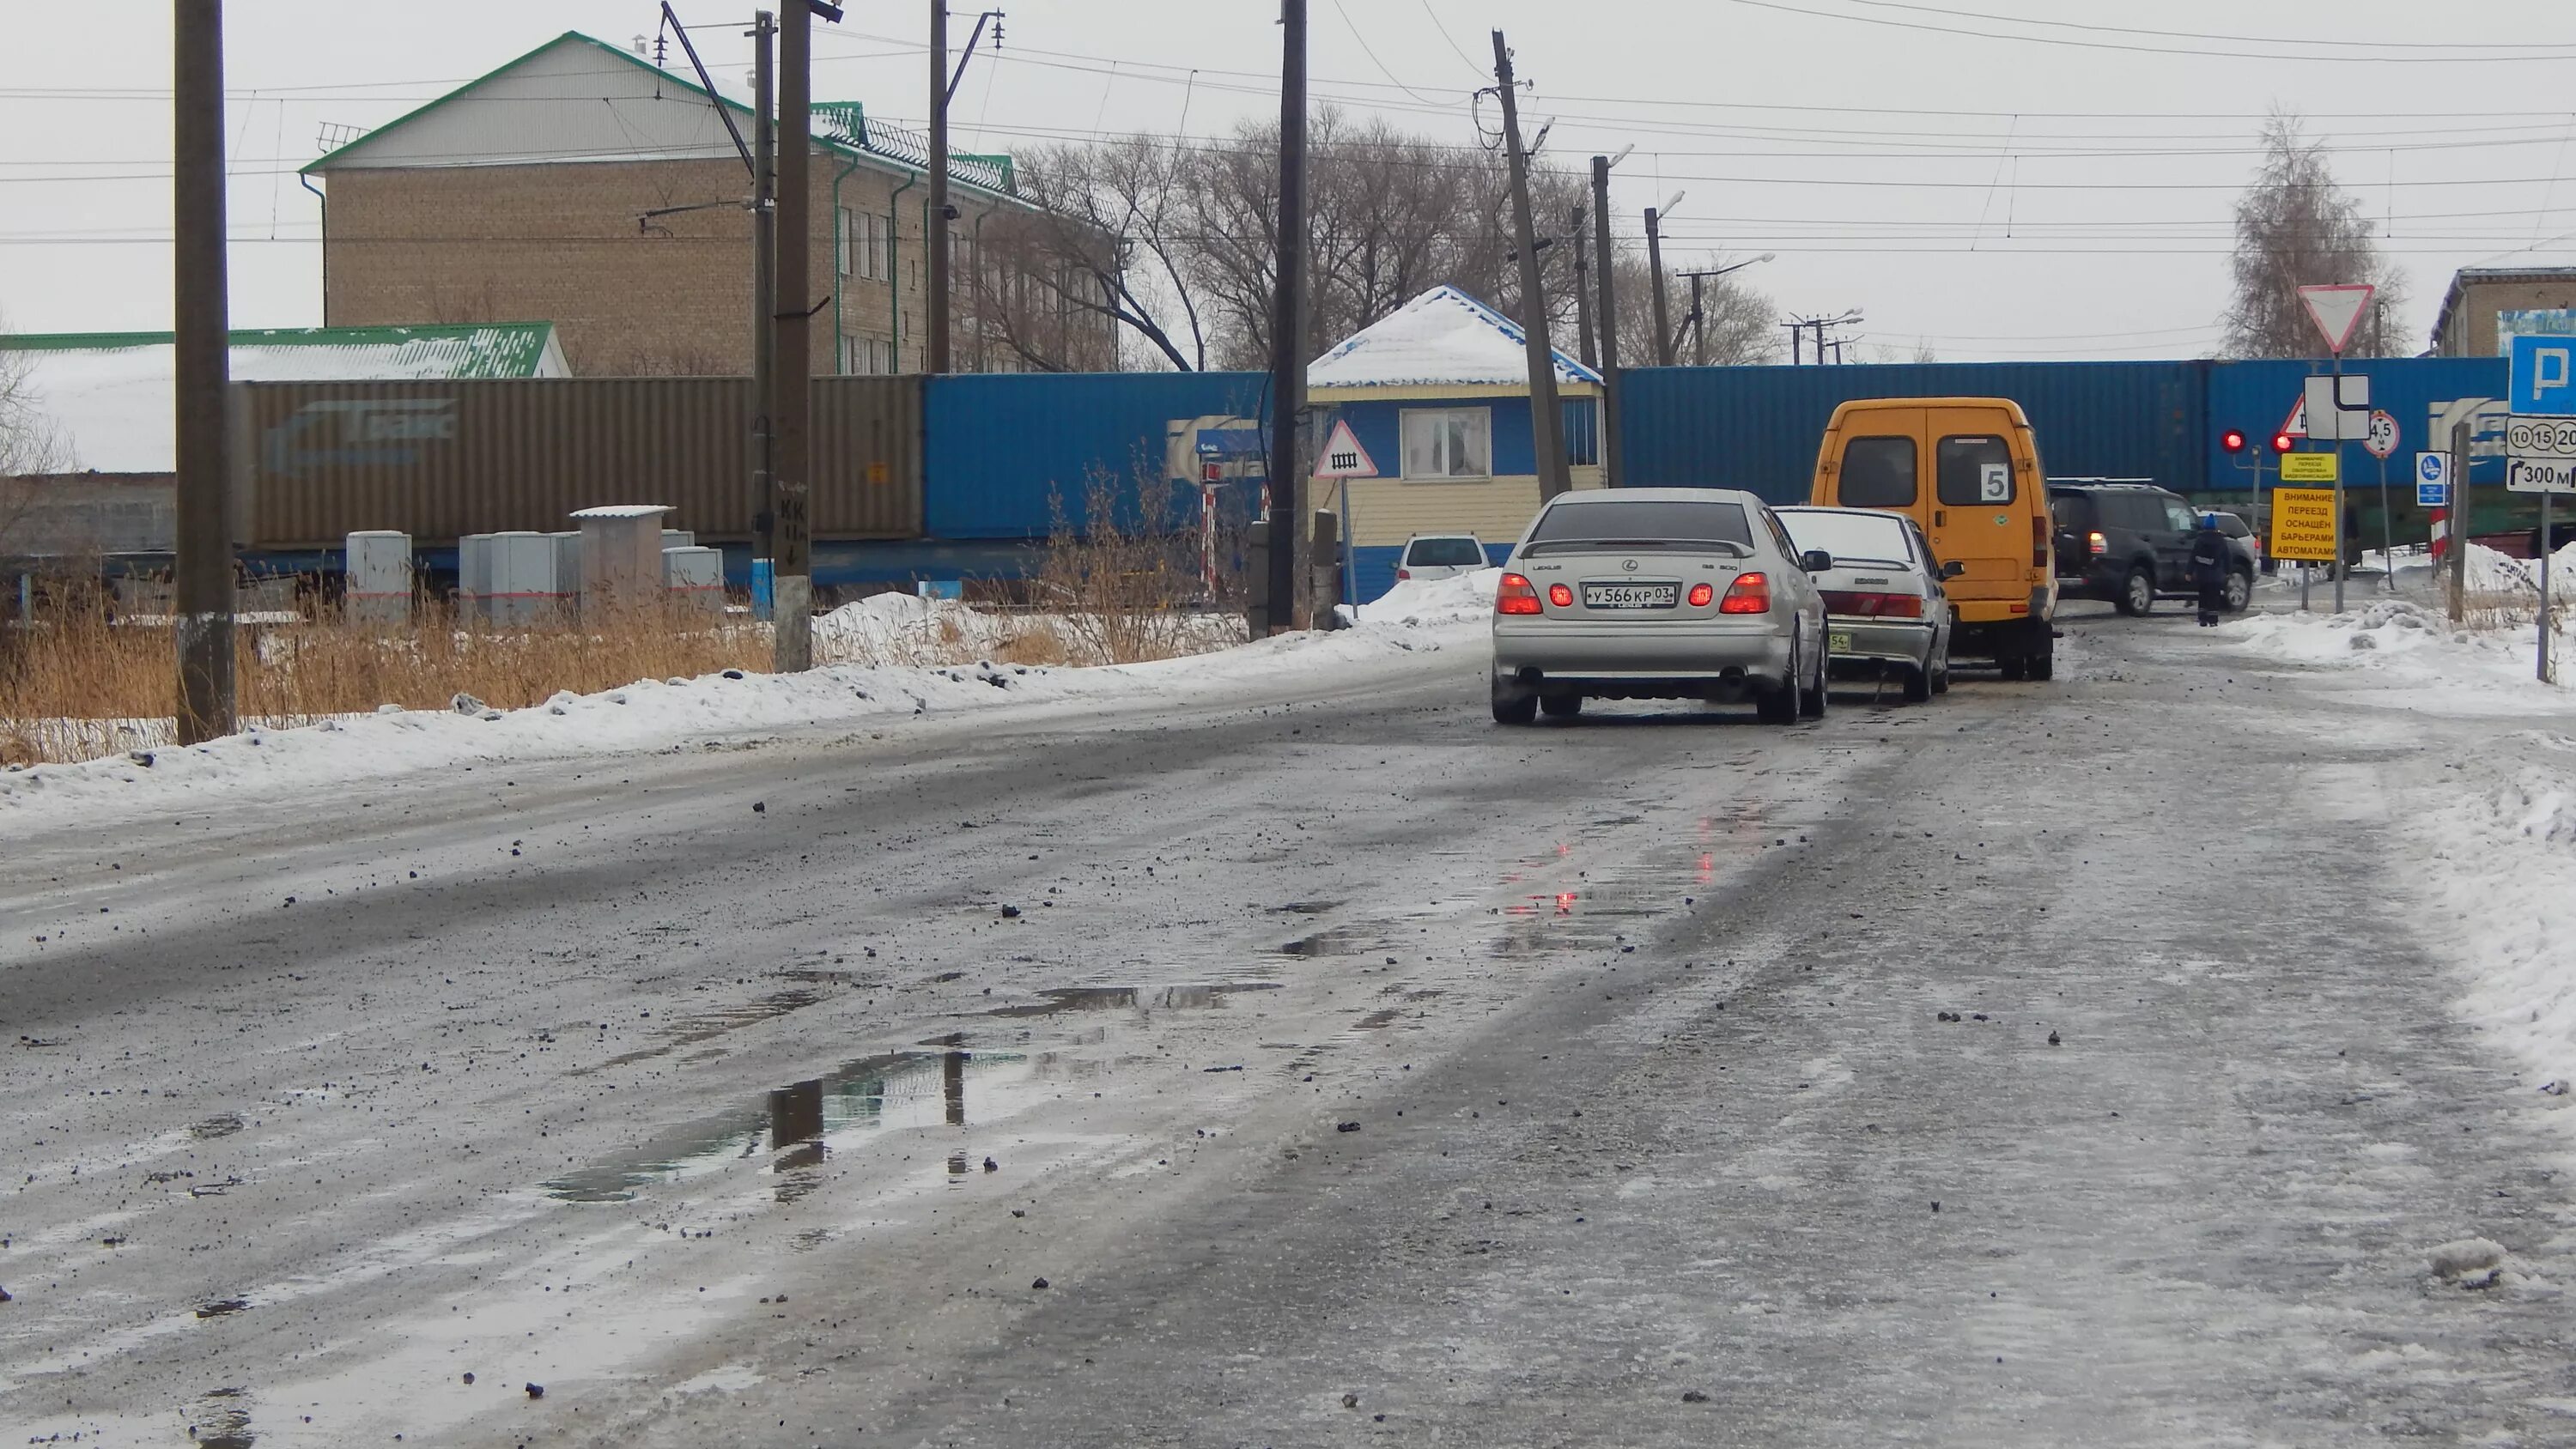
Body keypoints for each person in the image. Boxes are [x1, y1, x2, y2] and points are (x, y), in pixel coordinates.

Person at [2190, 512, 2233, 627]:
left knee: (2203, 596)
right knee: (2214, 597)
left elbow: (2193, 556)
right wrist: (2228, 572)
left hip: (2202, 574)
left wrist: (2189, 572)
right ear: (2215, 527)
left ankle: (2202, 619)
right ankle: (2213, 620)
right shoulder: (2221, 541)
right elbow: (2227, 557)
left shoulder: (2199, 540)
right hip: (2216, 575)